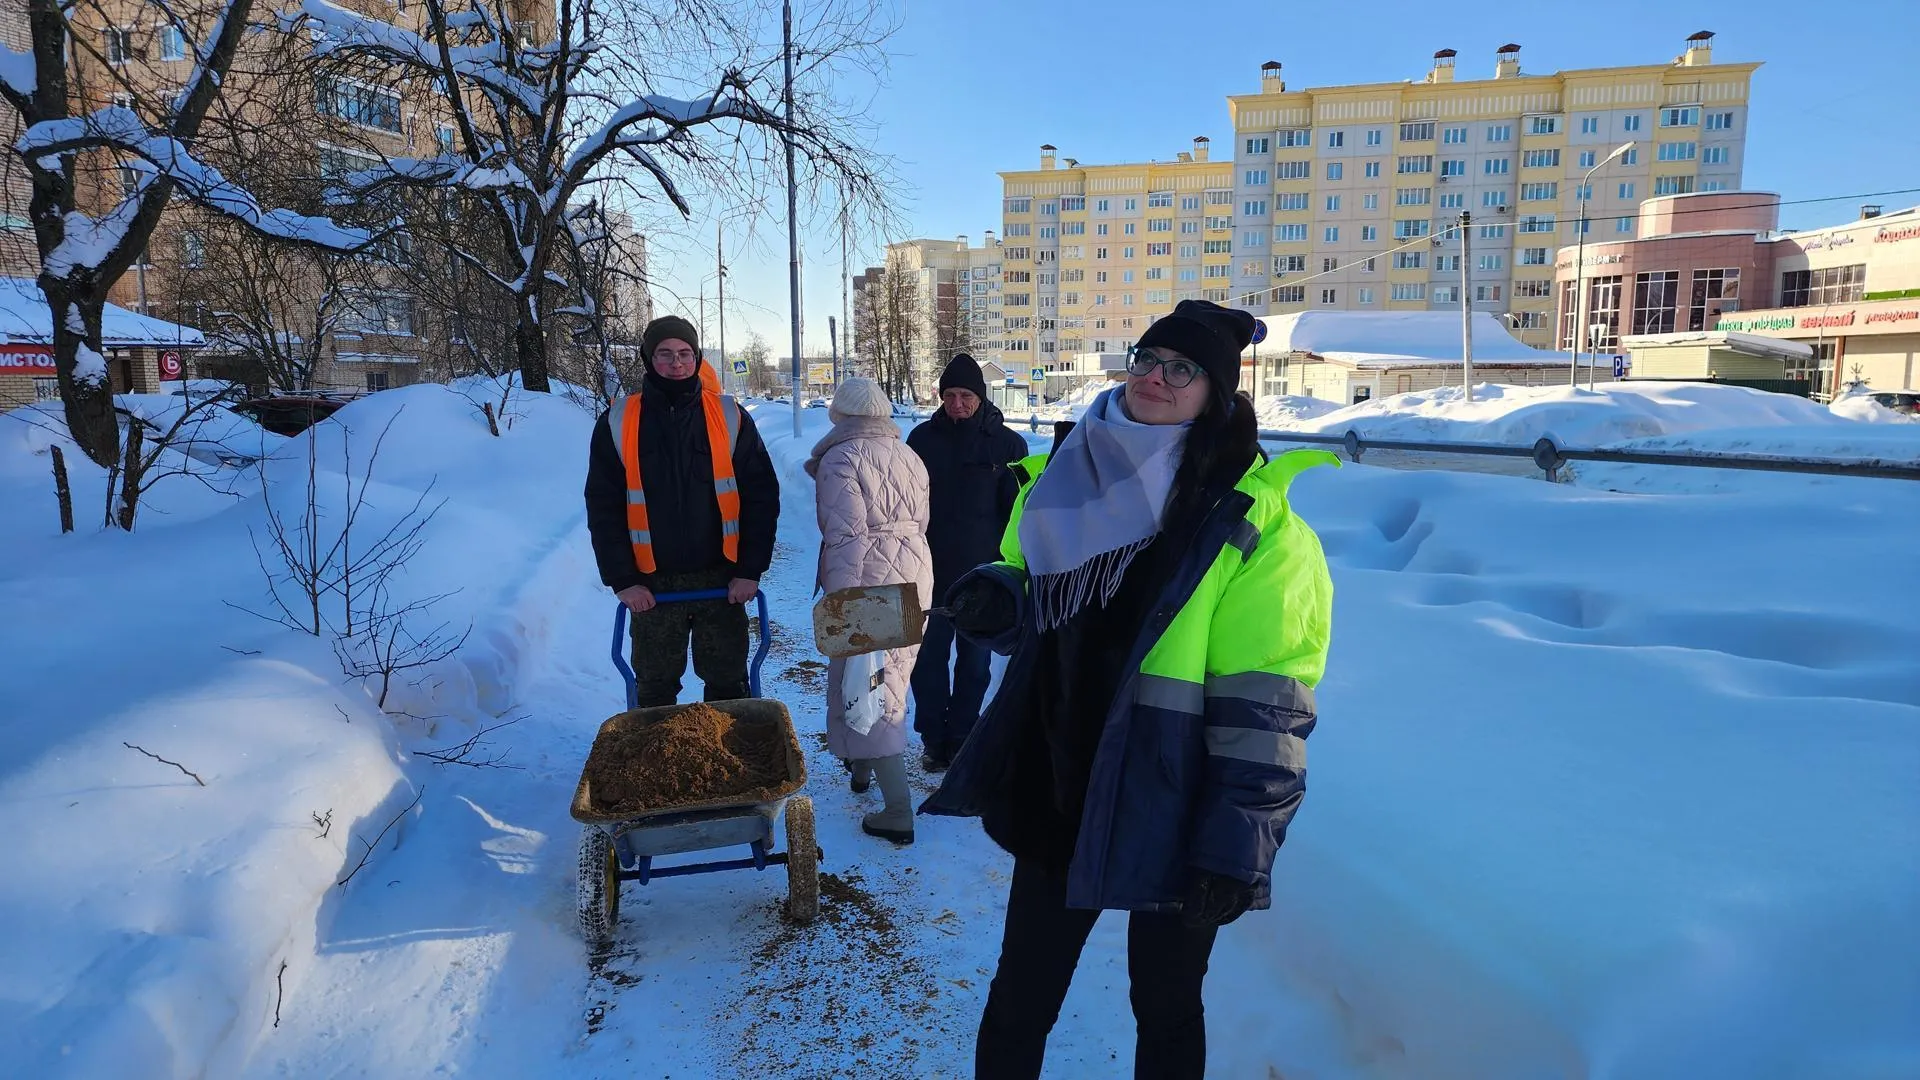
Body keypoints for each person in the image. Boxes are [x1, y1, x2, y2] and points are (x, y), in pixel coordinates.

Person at [920, 300, 1338, 1079]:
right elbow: (1035, 600)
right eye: (1147, 358)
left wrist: (1236, 842)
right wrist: (997, 599)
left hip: (1172, 796)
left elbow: (1265, 707)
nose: (1157, 378)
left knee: (1168, 1004)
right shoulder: (1064, 474)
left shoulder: (1255, 520)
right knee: (1020, 997)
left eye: (1183, 369)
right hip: (1058, 775)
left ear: (1218, 391)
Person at [584, 315, 780, 707]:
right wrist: (623, 579)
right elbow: (603, 506)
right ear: (648, 359)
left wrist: (749, 571)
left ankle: (730, 761)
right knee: (654, 689)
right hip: (652, 586)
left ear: (697, 358)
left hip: (721, 580)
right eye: (665, 354)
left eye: (685, 354)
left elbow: (761, 496)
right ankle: (662, 761)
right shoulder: (619, 420)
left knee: (728, 683)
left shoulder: (729, 416)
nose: (676, 363)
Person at [805, 377, 933, 843]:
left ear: (840, 415)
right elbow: (919, 523)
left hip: (867, 579)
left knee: (872, 690)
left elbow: (846, 536)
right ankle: (860, 770)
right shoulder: (909, 456)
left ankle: (898, 810)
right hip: (915, 572)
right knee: (878, 680)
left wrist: (841, 603)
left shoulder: (841, 458)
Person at [906, 354, 1028, 772]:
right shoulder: (921, 440)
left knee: (974, 664)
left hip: (983, 576)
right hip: (928, 571)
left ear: (981, 396)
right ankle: (932, 740)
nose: (957, 403)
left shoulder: (1008, 445)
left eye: (966, 396)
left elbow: (1018, 514)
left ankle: (962, 738)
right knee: (927, 662)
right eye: (950, 395)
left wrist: (1012, 570)